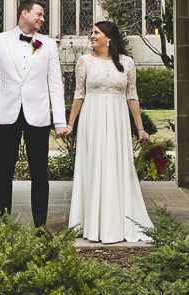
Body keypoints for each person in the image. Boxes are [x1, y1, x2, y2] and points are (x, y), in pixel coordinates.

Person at [0, 0, 70, 228]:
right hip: (6, 116)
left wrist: (59, 120)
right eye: (39, 14)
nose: (42, 19)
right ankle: (2, 225)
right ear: (24, 13)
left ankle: (40, 227)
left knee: (40, 174)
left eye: (43, 16)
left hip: (38, 116)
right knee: (3, 173)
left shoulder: (48, 44)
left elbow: (55, 84)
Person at [66, 20, 154, 243]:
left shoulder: (127, 62)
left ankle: (117, 221)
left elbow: (132, 96)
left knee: (116, 165)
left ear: (109, 37)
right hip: (91, 118)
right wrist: (70, 124)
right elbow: (79, 94)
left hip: (117, 119)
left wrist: (140, 128)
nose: (92, 36)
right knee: (94, 165)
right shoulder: (84, 61)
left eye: (96, 32)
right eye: (91, 32)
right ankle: (90, 222)